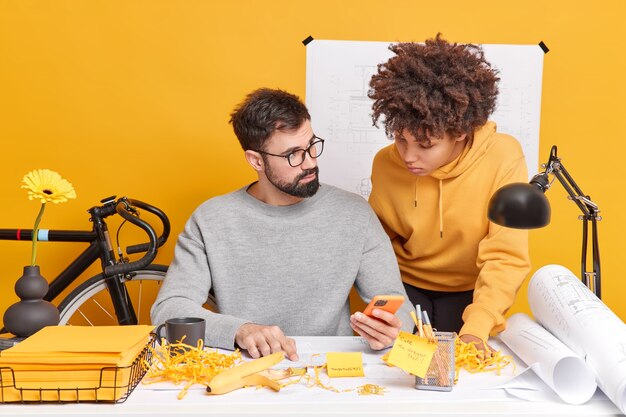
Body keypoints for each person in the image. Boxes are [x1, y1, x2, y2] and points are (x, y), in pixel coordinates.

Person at [151, 88, 413, 361]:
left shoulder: (355, 213)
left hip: (333, 371)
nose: (310, 162)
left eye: (312, 145)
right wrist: (240, 330)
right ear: (256, 160)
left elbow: (396, 300)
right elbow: (169, 308)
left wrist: (392, 328)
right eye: (293, 155)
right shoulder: (211, 219)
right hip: (247, 370)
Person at [367, 34, 531, 352]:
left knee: (463, 370)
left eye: (425, 144)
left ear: (460, 132)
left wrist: (478, 327)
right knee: (399, 371)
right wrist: (385, 314)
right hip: (404, 285)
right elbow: (376, 247)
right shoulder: (385, 164)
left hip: (470, 289)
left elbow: (505, 256)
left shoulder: (503, 157)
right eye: (400, 139)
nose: (408, 156)